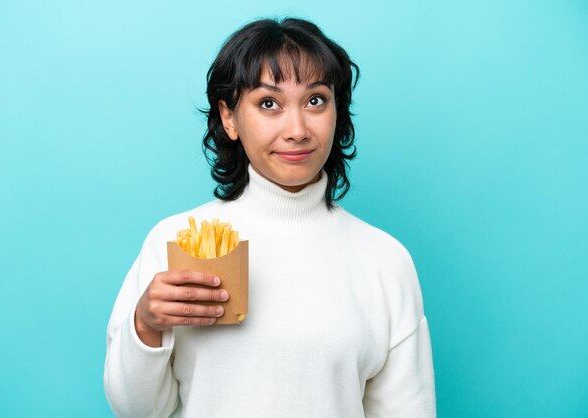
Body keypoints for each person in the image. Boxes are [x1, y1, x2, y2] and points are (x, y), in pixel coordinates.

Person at [104, 17, 436, 418]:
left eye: (315, 100)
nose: (297, 130)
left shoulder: (384, 260)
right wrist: (145, 325)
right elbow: (137, 411)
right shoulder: (174, 242)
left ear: (337, 111)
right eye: (268, 103)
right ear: (229, 118)